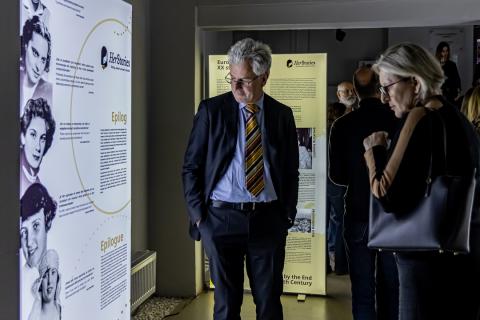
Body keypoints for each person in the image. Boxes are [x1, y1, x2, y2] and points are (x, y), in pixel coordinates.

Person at [182, 38, 299, 320]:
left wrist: (287, 214)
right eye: (232, 78)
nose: (235, 87)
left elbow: (290, 170)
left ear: (264, 78)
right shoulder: (211, 110)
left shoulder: (281, 115)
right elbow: (191, 167)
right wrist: (200, 217)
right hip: (220, 220)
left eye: (244, 80)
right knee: (225, 305)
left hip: (268, 220)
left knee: (269, 303)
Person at [364, 42, 480, 320]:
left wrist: (374, 151)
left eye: (387, 87)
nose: (384, 98)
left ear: (415, 83)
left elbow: (385, 194)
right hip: (463, 252)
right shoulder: (458, 119)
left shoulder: (420, 116)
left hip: (422, 257)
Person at [329, 66, 399, 319]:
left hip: (358, 210)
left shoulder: (342, 125)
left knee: (362, 291)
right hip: (392, 214)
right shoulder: (397, 120)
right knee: (392, 289)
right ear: (380, 87)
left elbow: (336, 176)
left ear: (355, 91)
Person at [20, 183, 57, 320]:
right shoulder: (21, 287)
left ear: (47, 222)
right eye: (24, 232)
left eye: (36, 226)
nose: (29, 242)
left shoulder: (53, 266)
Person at [325, 102, 348, 275]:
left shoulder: (323, 129)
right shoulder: (342, 130)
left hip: (321, 181)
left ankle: (323, 266)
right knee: (340, 221)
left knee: (322, 222)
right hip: (337, 182)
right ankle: (340, 265)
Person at [20, 98, 56, 197]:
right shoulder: (18, 179)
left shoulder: (37, 184)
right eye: (33, 135)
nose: (38, 147)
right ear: (23, 136)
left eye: (42, 138)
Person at [21, 16, 52, 116]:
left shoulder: (48, 91)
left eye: (43, 59)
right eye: (35, 53)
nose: (39, 67)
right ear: (26, 45)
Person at [29, 250, 62, 320]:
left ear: (58, 278)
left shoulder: (61, 310)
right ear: (40, 283)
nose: (50, 281)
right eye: (45, 276)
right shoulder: (34, 316)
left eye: (53, 273)